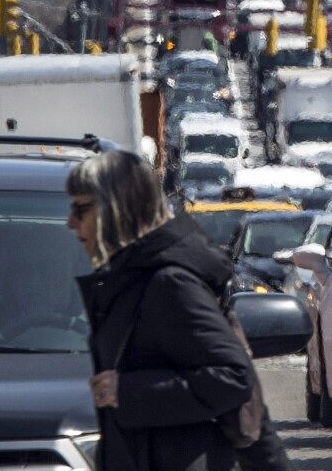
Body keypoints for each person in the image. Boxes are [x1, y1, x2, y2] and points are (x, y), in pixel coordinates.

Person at [70, 150, 256, 471]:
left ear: (119, 212)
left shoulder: (168, 284)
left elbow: (233, 377)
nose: (70, 222)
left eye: (82, 209)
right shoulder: (128, 278)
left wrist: (126, 391)